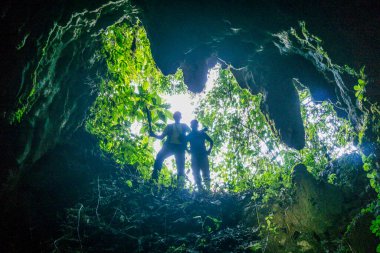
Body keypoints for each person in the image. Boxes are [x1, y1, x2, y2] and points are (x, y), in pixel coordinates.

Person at [149, 111, 191, 187]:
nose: (177, 117)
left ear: (180, 117)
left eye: (178, 115)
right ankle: (154, 179)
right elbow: (161, 137)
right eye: (176, 116)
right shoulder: (169, 126)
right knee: (159, 157)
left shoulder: (184, 126)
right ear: (174, 117)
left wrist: (185, 138)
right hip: (169, 146)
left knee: (181, 167)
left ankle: (180, 186)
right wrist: (153, 135)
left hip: (180, 148)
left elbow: (191, 135)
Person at [186, 119, 213, 191]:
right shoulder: (191, 135)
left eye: (195, 124)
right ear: (191, 126)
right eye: (192, 124)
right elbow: (184, 143)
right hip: (195, 156)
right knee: (196, 173)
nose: (193, 125)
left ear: (197, 125)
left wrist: (209, 150)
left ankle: (207, 190)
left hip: (202, 155)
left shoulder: (201, 133)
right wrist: (188, 150)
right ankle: (200, 190)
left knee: (205, 173)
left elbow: (211, 141)